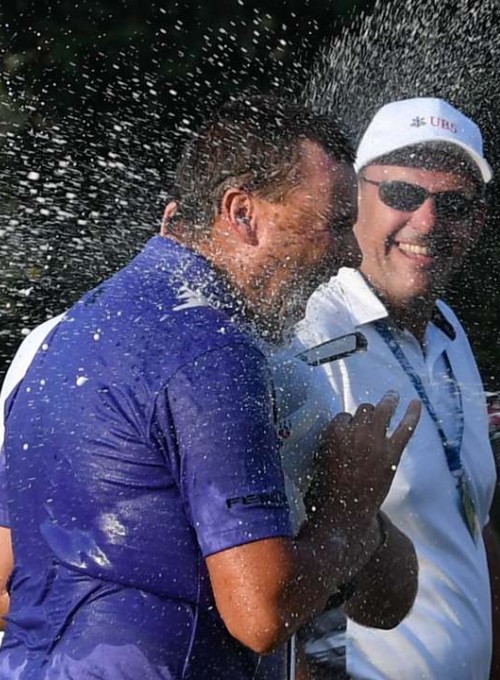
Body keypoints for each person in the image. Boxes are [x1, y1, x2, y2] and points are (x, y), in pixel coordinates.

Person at [0, 94, 422, 678]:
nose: (350, 254)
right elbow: (263, 613)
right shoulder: (213, 350)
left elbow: (12, 570)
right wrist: (350, 500)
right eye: (332, 224)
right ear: (242, 212)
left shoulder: (68, 336)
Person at [274, 96, 500, 679]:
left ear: (479, 220)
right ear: (353, 198)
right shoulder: (308, 333)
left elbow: (470, 530)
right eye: (402, 194)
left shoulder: (448, 329)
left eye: (455, 203)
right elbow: (269, 564)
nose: (427, 221)